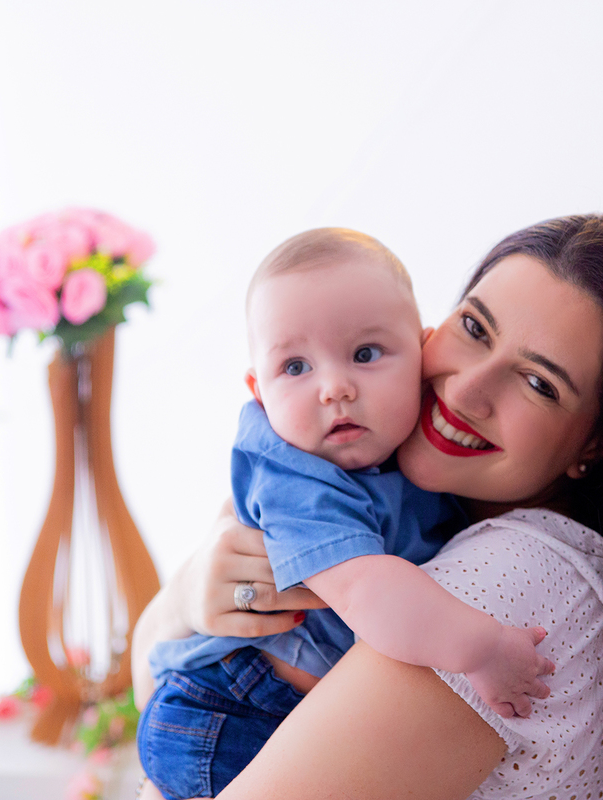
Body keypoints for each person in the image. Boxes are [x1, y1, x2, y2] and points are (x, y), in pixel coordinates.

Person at [132, 214, 603, 800]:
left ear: (597, 443)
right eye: (474, 327)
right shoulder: (341, 470)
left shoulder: (512, 580)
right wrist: (185, 597)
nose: (466, 390)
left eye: (539, 383)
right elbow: (152, 687)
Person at [138, 228, 555, 800]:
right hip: (230, 709)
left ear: (420, 355)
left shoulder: (409, 458)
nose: (335, 388)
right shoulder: (295, 475)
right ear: (258, 391)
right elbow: (367, 591)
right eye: (295, 367)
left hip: (281, 712)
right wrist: (482, 648)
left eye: (365, 354)